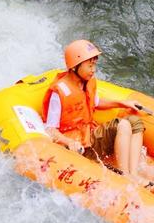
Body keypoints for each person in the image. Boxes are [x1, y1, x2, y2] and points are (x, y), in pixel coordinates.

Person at [41, 40, 146, 176]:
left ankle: (134, 173)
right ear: (74, 66)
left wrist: (122, 103)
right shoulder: (59, 92)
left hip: (90, 133)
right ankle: (125, 176)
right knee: (123, 125)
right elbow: (50, 129)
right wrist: (69, 142)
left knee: (135, 122)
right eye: (90, 66)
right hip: (80, 145)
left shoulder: (89, 82)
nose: (93, 70)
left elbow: (95, 103)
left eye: (94, 65)